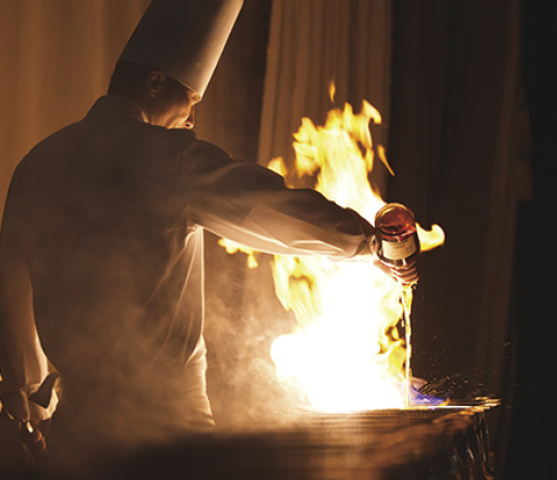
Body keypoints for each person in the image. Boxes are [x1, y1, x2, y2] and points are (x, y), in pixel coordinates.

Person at [0, 0, 416, 470]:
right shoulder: (167, 159)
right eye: (191, 101)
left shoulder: (36, 165)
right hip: (170, 437)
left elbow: (12, 299)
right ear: (155, 83)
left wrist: (31, 410)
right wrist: (367, 245)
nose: (191, 119)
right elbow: (265, 208)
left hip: (79, 436)